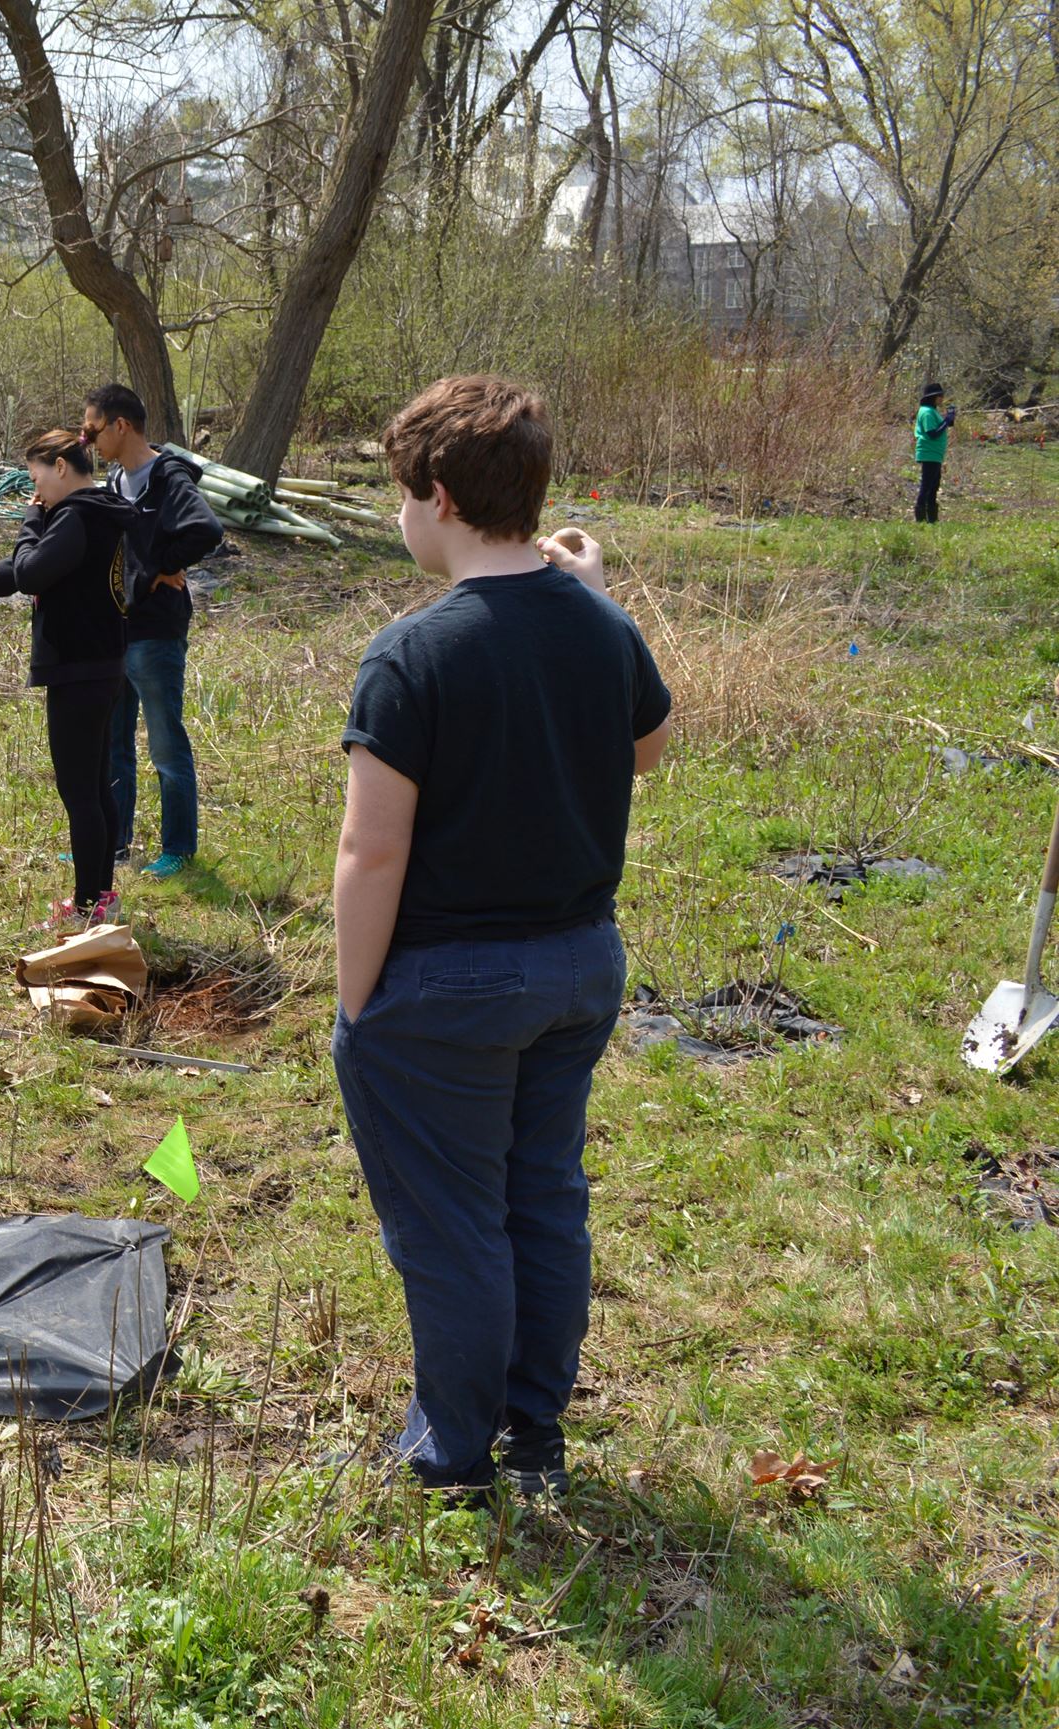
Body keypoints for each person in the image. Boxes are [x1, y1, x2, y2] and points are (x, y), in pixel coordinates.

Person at [330, 376, 672, 1501]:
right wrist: (591, 598)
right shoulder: (596, 621)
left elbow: (370, 853)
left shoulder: (411, 654)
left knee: (450, 1222)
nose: (397, 515)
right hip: (577, 967)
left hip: (447, 987)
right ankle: (535, 1428)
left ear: (435, 495)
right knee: (540, 1196)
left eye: (396, 493)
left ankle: (454, 1450)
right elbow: (647, 744)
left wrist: (354, 1004)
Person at [0, 429, 132, 926]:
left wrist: (31, 518)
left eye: (37, 477)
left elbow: (31, 572)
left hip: (78, 668)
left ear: (61, 467)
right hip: (103, 664)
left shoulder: (75, 516)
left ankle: (86, 908)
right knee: (96, 786)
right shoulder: (102, 511)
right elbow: (23, 568)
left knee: (79, 791)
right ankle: (101, 896)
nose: (35, 491)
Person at [80, 384, 222, 881]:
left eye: (93, 430)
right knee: (115, 740)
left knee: (164, 741)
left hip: (156, 630)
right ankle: (116, 844)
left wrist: (161, 566)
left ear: (121, 426)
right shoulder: (116, 481)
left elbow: (205, 530)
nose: (88, 441)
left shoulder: (167, 477)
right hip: (118, 628)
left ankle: (178, 848)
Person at [914, 383, 955, 523]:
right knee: (927, 485)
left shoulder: (932, 411)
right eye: (940, 396)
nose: (942, 398)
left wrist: (949, 419)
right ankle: (921, 519)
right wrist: (946, 421)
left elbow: (944, 426)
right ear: (932, 397)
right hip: (928, 452)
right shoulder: (926, 412)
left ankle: (932, 519)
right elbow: (932, 433)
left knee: (934, 486)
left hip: (935, 454)